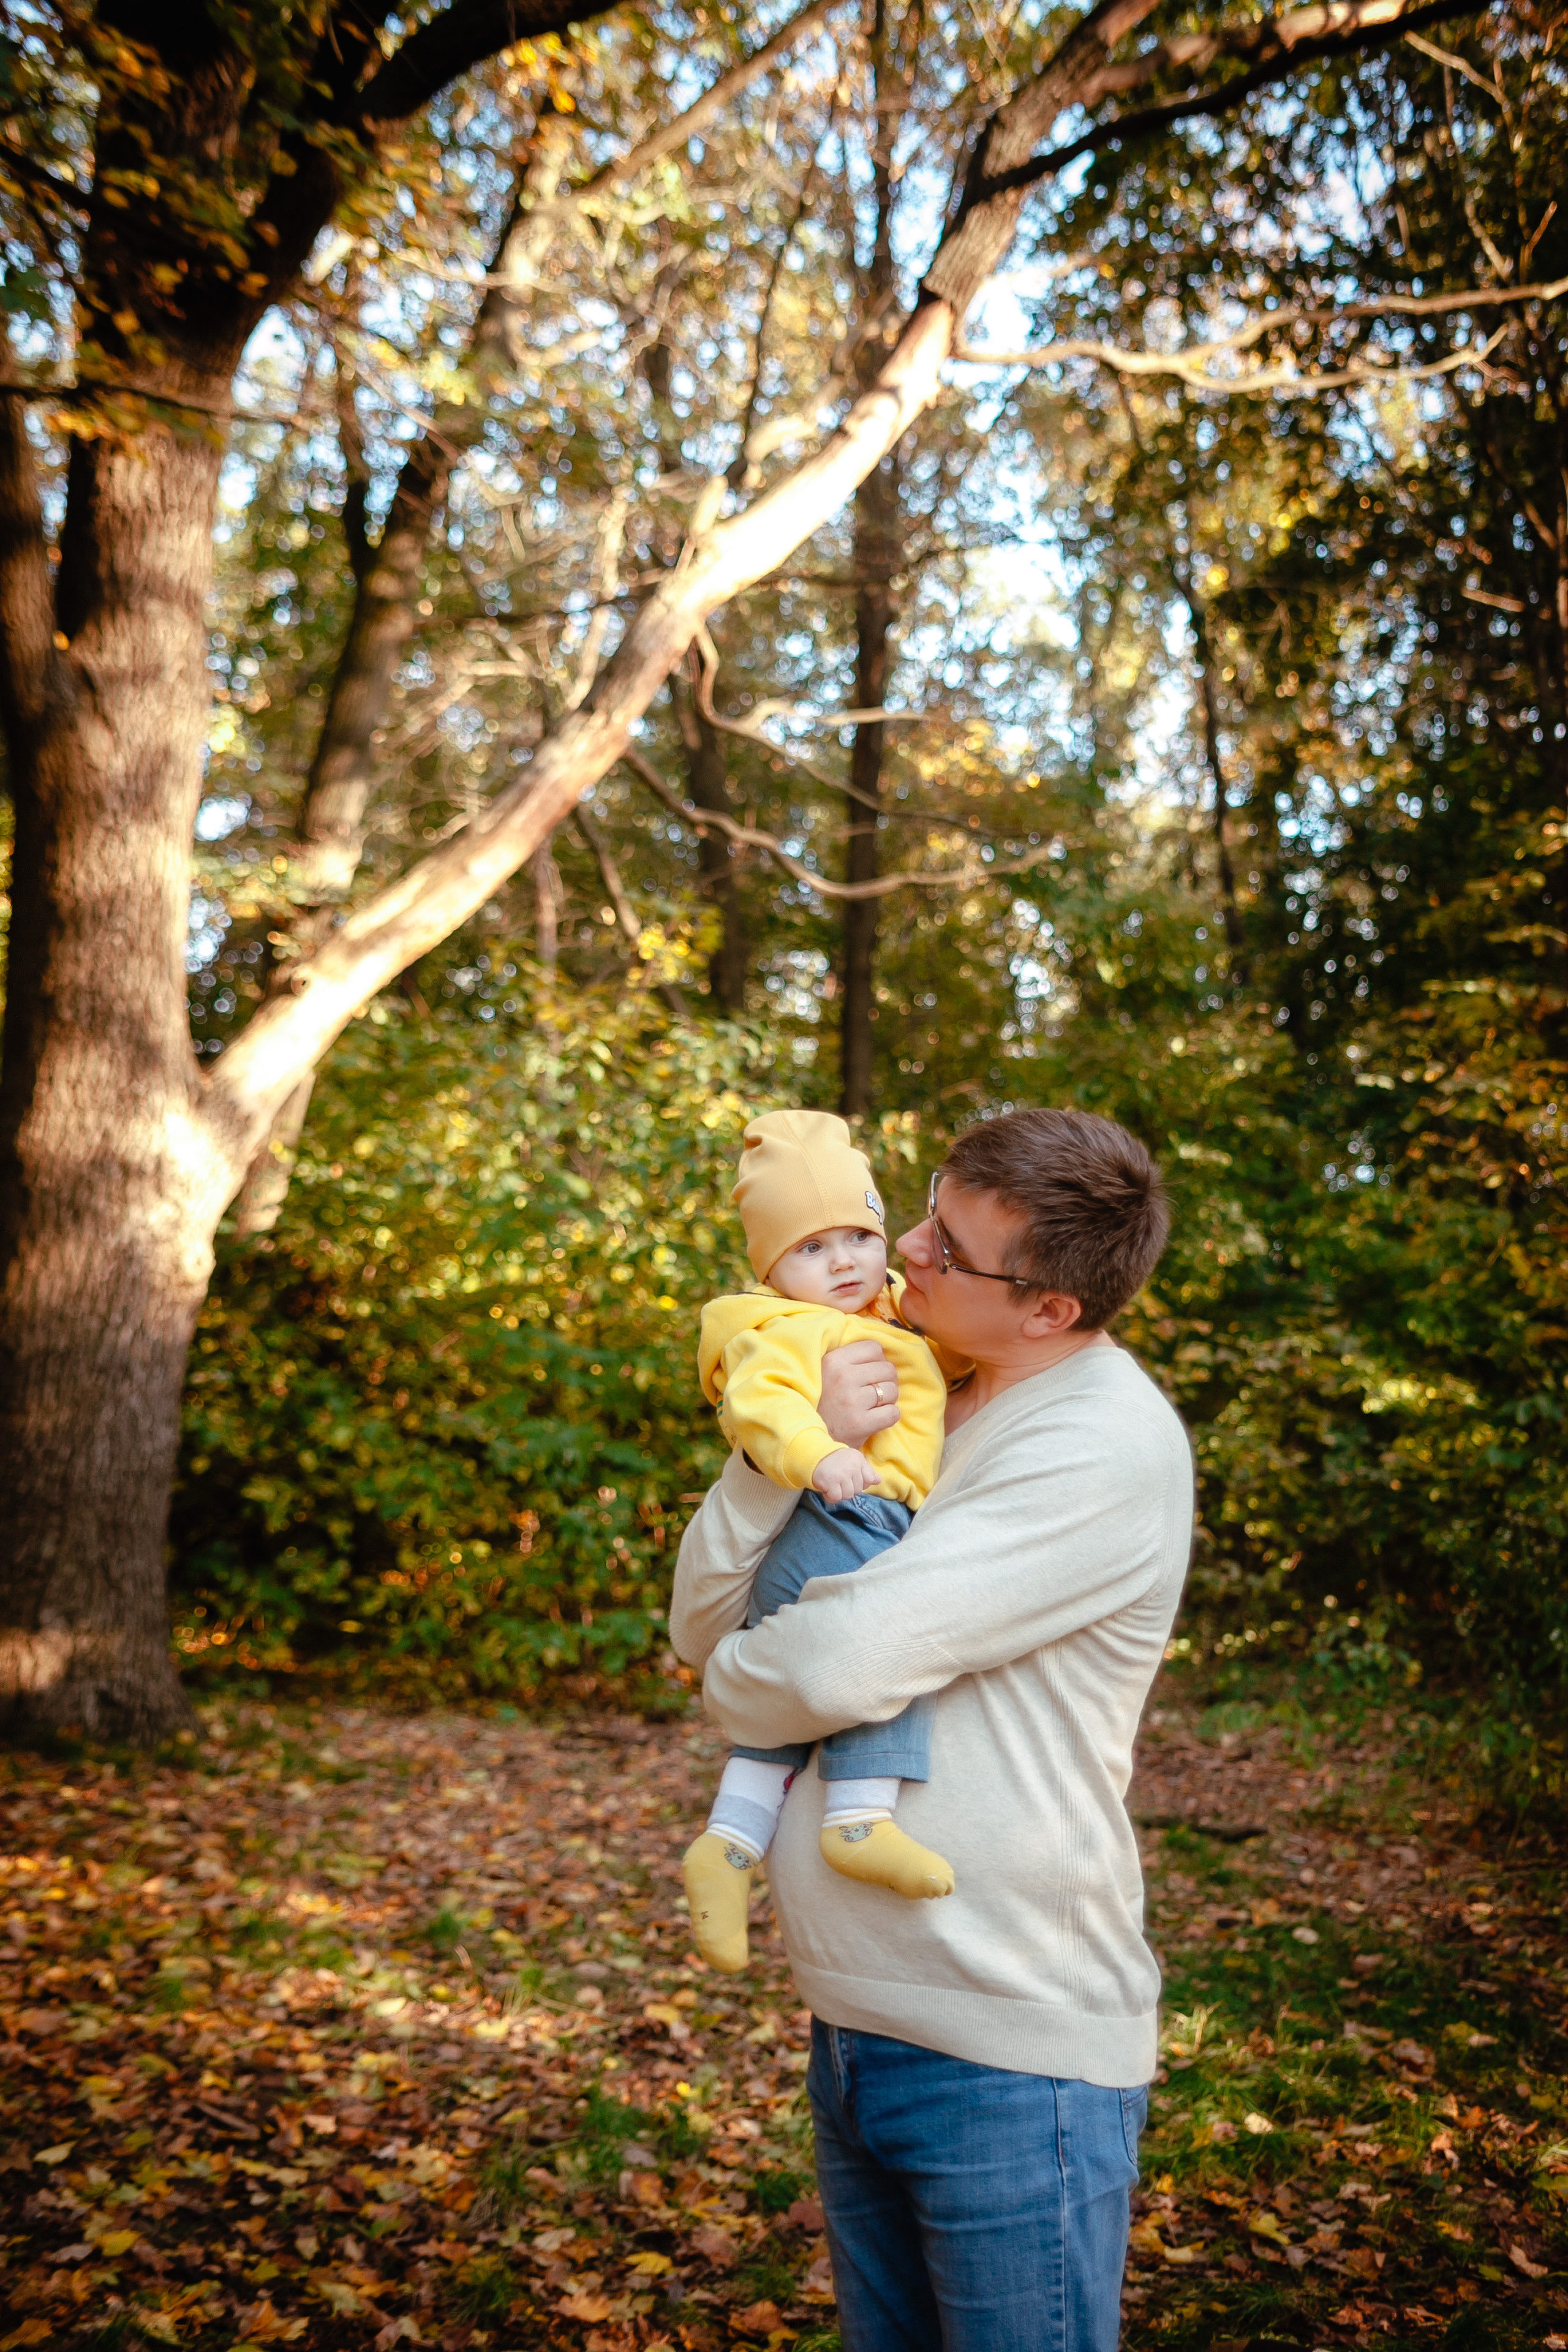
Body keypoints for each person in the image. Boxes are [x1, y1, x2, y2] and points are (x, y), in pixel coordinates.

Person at [670, 1106, 1193, 2352]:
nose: (899, 1250)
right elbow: (700, 1614)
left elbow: (836, 1657)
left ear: (1050, 1310)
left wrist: (737, 1682)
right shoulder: (898, 1390)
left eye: (946, 1247)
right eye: (920, 1210)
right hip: (856, 2026)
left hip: (1006, 2042)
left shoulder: (1095, 1443)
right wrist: (770, 1464)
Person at [682, 1109, 956, 1978]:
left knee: (783, 1722)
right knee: (886, 1639)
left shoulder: (888, 1323)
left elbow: (938, 1374)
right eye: (811, 1249)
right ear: (770, 1269)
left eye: (856, 1237)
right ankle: (859, 1819)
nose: (842, 1261)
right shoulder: (783, 1331)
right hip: (837, 1514)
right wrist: (820, 1452)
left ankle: (727, 1845)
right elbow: (761, 1408)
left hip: (859, 1513)